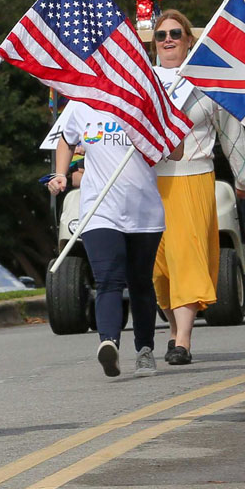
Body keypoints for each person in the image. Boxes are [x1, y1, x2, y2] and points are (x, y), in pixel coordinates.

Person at [149, 10, 245, 365]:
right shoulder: (143, 82)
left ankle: (184, 341)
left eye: (175, 34)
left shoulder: (204, 82)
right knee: (157, 267)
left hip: (193, 177)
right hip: (149, 183)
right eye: (161, 36)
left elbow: (231, 132)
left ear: (188, 40)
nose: (168, 41)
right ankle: (173, 328)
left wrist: (242, 178)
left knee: (187, 259)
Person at [47, 103, 167, 378]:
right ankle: (109, 341)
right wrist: (61, 174)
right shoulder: (81, 105)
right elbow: (67, 139)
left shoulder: (145, 100)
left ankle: (145, 350)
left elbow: (175, 150)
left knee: (140, 281)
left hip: (144, 211)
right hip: (99, 209)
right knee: (107, 278)